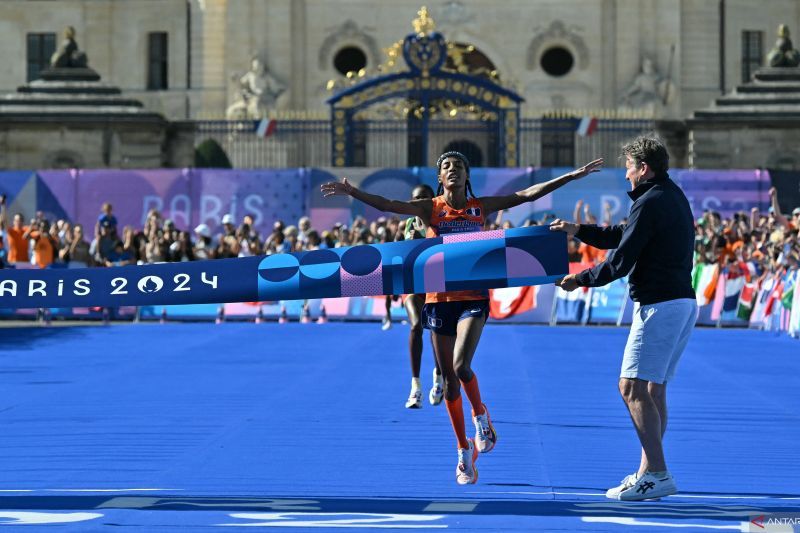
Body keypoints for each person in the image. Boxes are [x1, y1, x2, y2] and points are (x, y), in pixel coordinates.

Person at [322, 151, 603, 485]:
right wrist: (353, 193)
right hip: (438, 300)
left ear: (466, 175)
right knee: (449, 382)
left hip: (473, 298)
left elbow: (527, 194)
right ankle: (462, 449)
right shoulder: (430, 208)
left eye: (457, 166)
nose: (451, 170)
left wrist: (570, 176)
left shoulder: (479, 207)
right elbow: (388, 205)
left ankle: (480, 415)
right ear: (440, 178)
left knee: (460, 366)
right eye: (445, 167)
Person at [550, 136, 696, 501]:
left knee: (630, 387)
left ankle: (658, 473)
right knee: (652, 388)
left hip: (659, 306)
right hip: (679, 303)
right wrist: (576, 229)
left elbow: (620, 262)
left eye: (629, 167)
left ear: (643, 168)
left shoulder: (649, 202)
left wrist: (579, 279)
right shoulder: (667, 195)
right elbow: (620, 236)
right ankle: (649, 471)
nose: (626, 175)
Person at [398, 184, 444, 409]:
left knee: (436, 330)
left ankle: (438, 377)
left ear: (433, 199)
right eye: (415, 198)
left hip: (435, 284)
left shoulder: (440, 222)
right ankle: (415, 387)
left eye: (424, 198)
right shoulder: (405, 225)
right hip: (412, 286)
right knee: (416, 326)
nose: (419, 202)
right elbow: (394, 258)